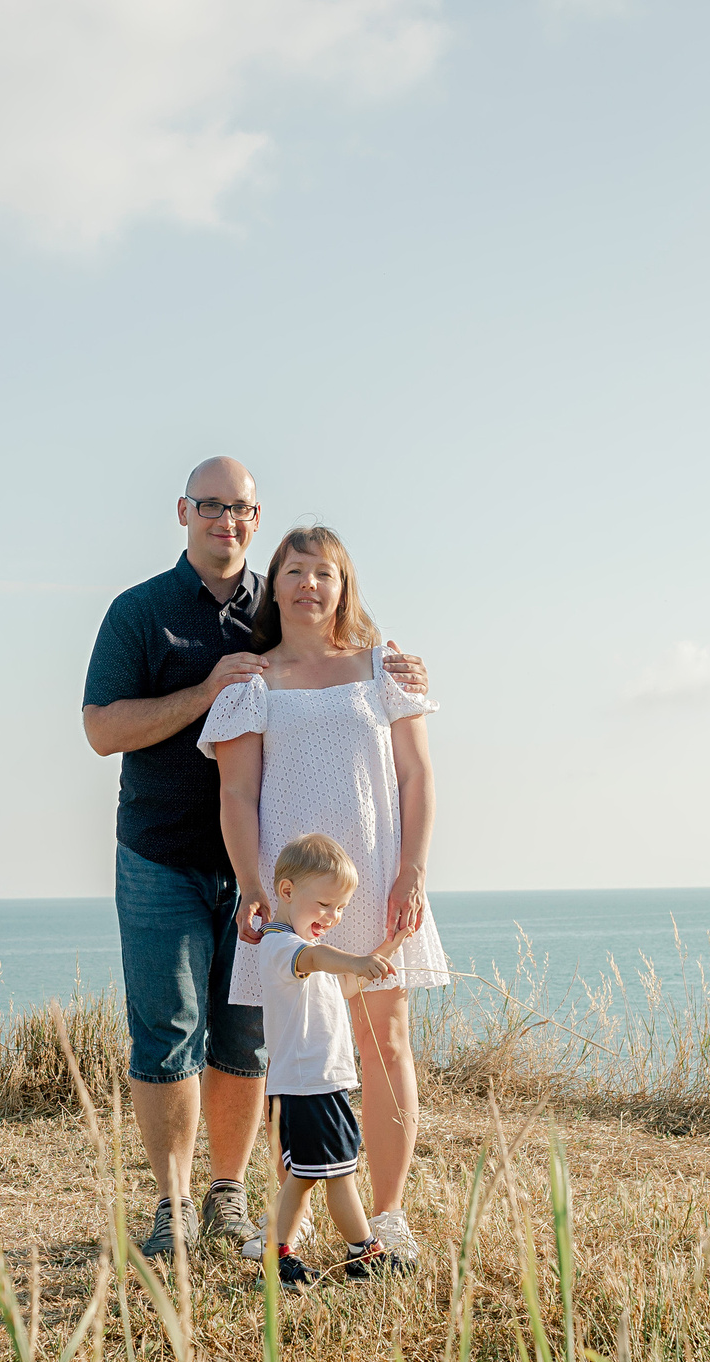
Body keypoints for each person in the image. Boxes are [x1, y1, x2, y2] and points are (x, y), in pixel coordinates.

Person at [81, 459, 430, 1259]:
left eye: (239, 509)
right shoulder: (141, 613)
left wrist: (397, 666)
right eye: (211, 506)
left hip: (301, 872)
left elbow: (378, 713)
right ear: (184, 512)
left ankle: (233, 1199)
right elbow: (102, 731)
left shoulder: (279, 621)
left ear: (255, 516)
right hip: (172, 854)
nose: (225, 520)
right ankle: (174, 1206)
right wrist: (204, 690)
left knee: (248, 1042)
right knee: (168, 1031)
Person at [201, 525, 446, 1267]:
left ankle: (389, 1212)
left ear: (345, 587)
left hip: (374, 875)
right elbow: (237, 792)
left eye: (326, 573)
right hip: (289, 890)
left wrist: (413, 868)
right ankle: (294, 1216)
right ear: (272, 584)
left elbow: (415, 777)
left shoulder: (385, 667)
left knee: (384, 1041)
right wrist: (251, 884)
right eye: (296, 571)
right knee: (300, 1055)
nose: (310, 584)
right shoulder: (251, 680)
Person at [248, 832, 405, 1288]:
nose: (333, 917)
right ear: (287, 891)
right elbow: (318, 958)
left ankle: (280, 1257)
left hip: (312, 1084)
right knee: (335, 1173)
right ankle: (364, 1254)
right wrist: (355, 960)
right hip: (308, 1085)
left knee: (313, 1175)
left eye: (340, 908)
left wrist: (386, 951)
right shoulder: (283, 949)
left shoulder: (302, 955)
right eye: (324, 905)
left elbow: (345, 986)